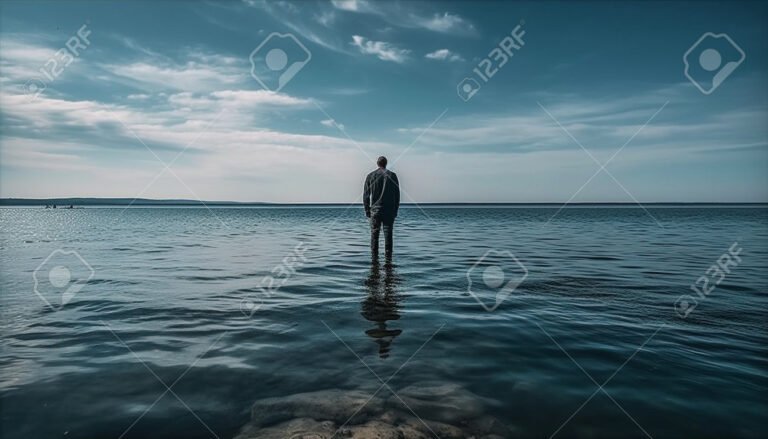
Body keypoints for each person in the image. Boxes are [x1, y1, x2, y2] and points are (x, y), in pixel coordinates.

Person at [363, 156, 400, 260]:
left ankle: (374, 260)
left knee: (374, 236)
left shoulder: (370, 176)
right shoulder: (392, 176)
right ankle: (389, 260)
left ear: (377, 164)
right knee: (388, 235)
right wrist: (395, 210)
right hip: (389, 211)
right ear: (386, 163)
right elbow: (397, 195)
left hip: (375, 211)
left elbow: (366, 195)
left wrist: (367, 210)